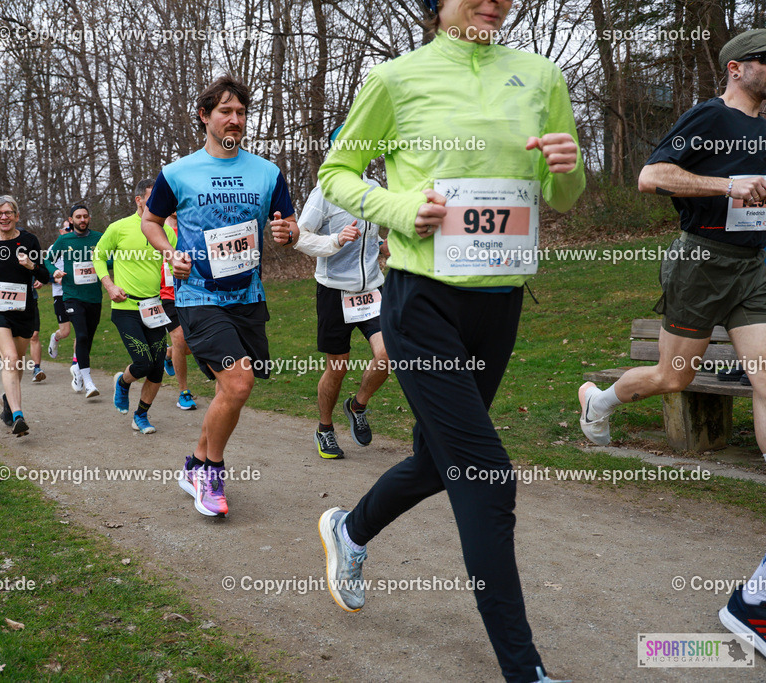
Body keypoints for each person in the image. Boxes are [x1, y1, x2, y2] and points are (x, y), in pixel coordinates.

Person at [315, 2, 585, 682]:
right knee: (486, 474)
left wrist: (567, 167)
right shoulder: (396, 78)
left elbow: (562, 193)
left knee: (441, 460)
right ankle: (524, 670)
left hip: (500, 302)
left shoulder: (542, 76)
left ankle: (349, 529)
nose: (494, 1)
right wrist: (400, 208)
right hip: (421, 302)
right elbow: (337, 173)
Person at [569, 30, 766, 656]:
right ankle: (599, 402)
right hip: (701, 262)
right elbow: (651, 176)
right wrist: (727, 186)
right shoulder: (709, 117)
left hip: (755, 267)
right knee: (674, 377)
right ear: (736, 68)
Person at [142, 75, 297, 517]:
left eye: (241, 112)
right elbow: (151, 221)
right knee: (238, 382)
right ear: (204, 116)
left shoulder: (266, 172)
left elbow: (289, 224)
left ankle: (194, 462)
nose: (235, 120)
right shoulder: (178, 172)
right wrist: (170, 253)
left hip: (247, 295)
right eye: (225, 111)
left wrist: (288, 232)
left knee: (231, 390)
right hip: (198, 295)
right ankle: (211, 473)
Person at [283, 124, 390, 459]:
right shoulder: (325, 191)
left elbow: (374, 235)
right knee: (338, 368)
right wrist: (335, 241)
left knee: (388, 355)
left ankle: (357, 406)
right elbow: (300, 237)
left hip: (372, 288)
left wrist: (385, 247)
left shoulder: (374, 188)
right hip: (334, 293)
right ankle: (325, 428)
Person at [96, 181, 177, 433]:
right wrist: (110, 286)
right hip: (126, 307)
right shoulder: (119, 228)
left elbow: (173, 265)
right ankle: (123, 382)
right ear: (138, 200)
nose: (156, 204)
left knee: (157, 368)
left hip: (154, 307)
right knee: (143, 363)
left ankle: (141, 415)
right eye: (151, 199)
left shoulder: (167, 232)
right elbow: (98, 256)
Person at [0, 195, 49, 436]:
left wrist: (31, 266)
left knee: (19, 360)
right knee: (11, 358)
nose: (3, 217)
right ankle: (18, 415)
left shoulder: (29, 241)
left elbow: (45, 276)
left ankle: (7, 400)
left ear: (16, 216)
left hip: (24, 311)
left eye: (8, 213)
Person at [44, 203, 103, 396]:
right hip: (71, 296)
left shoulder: (99, 238)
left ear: (89, 218)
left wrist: (99, 261)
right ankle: (89, 382)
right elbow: (47, 260)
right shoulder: (64, 240)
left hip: (94, 296)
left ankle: (78, 369)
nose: (82, 220)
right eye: (78, 217)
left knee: (88, 339)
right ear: (71, 220)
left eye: (85, 216)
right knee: (82, 335)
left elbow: (112, 259)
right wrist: (55, 271)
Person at [159, 213, 198, 411]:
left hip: (193, 293)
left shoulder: (191, 227)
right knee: (180, 340)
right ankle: (184, 392)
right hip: (168, 295)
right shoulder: (155, 229)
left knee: (194, 344)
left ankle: (168, 354)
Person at [46, 221, 75, 362]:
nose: (71, 231)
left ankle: (78, 364)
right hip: (60, 294)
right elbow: (45, 272)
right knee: (65, 332)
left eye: (73, 229)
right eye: (68, 229)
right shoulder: (54, 248)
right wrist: (55, 278)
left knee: (82, 331)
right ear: (61, 231)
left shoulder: (80, 247)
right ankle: (55, 337)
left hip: (78, 294)